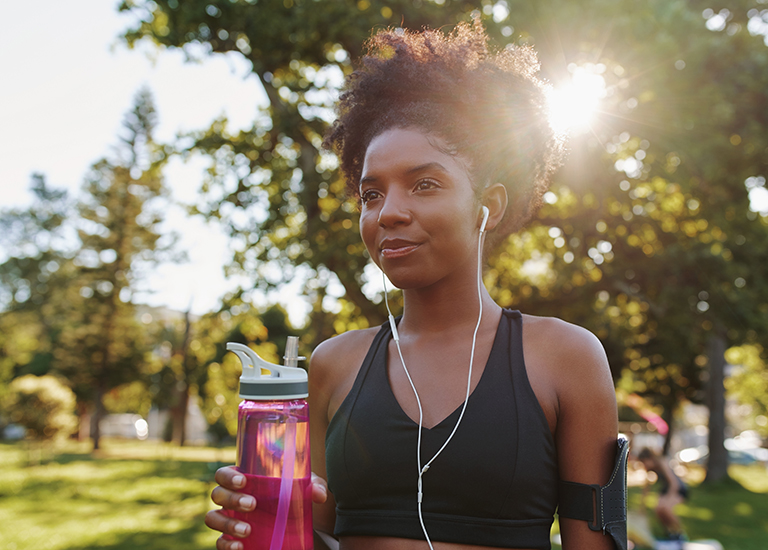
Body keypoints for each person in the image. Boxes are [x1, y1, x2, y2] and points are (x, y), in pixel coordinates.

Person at [205, 19, 625, 550]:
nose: (389, 213)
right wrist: (255, 528)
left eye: (425, 185)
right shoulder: (333, 365)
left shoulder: (565, 358)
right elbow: (305, 536)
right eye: (371, 194)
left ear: (487, 207)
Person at [636, 448, 688, 546]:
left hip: (678, 488)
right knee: (658, 510)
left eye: (644, 462)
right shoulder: (651, 467)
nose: (644, 465)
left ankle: (681, 534)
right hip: (666, 488)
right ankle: (670, 533)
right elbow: (646, 487)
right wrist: (642, 505)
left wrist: (668, 499)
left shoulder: (662, 462)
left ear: (650, 458)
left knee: (666, 509)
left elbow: (674, 483)